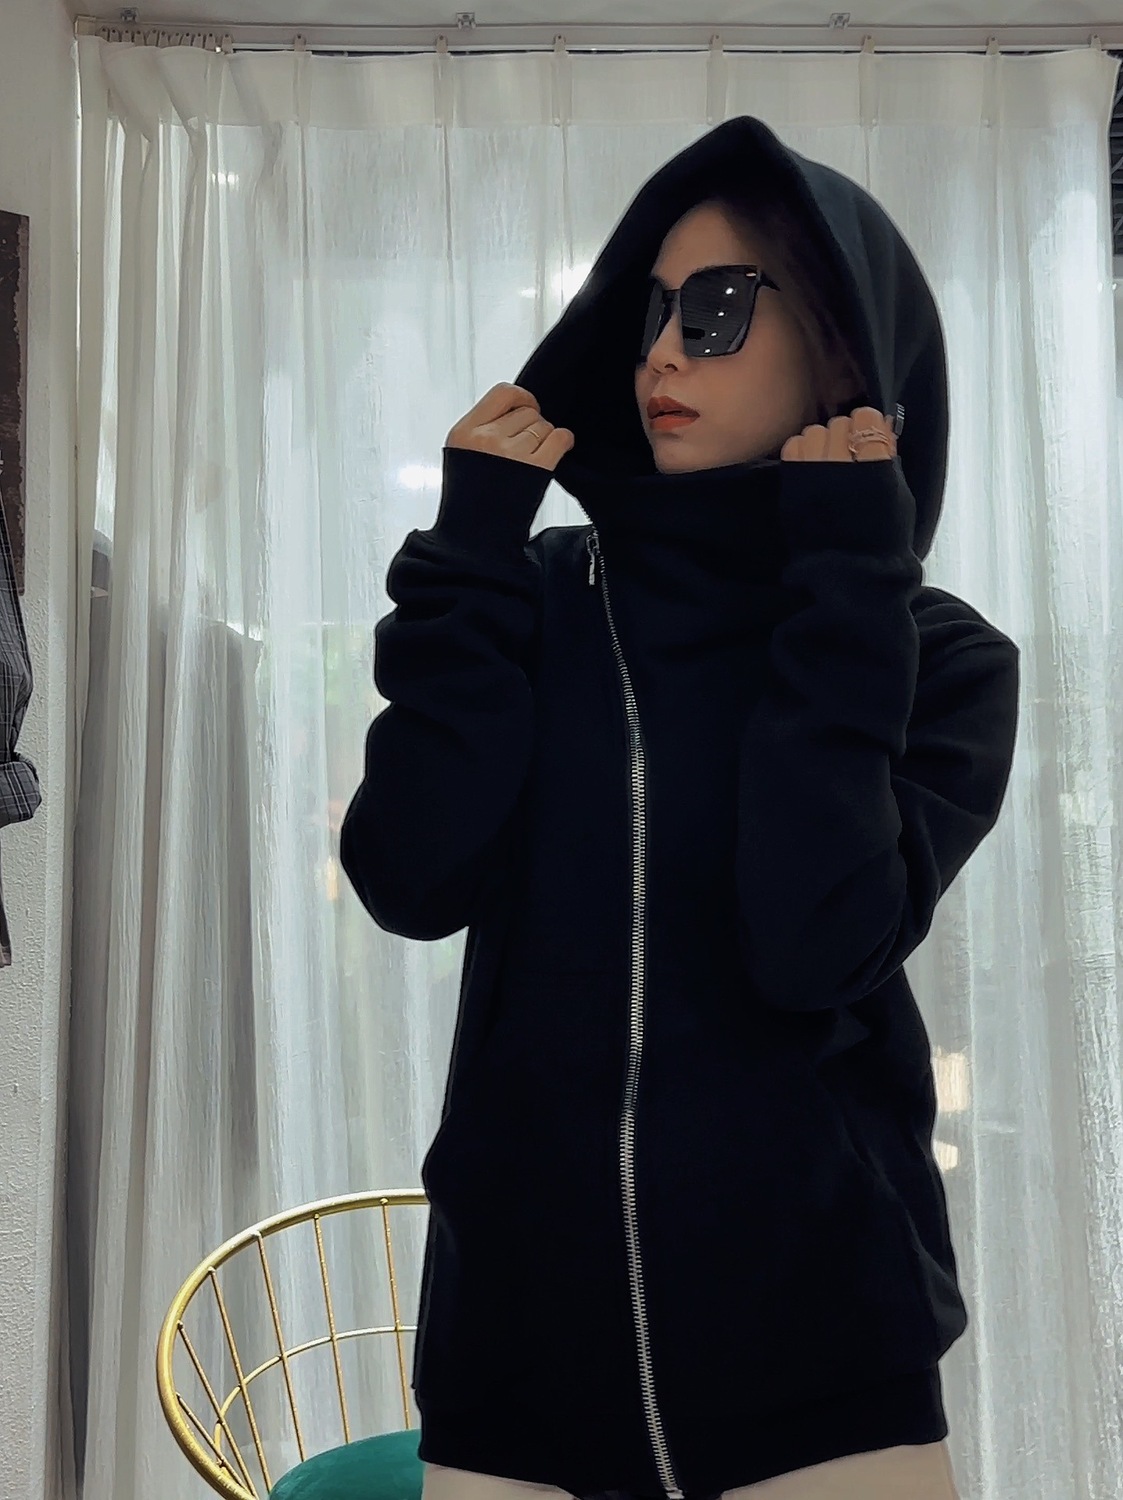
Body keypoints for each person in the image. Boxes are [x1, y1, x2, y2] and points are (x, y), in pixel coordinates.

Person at [340, 115, 1021, 1500]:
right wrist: (471, 554)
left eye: (713, 309)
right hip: (516, 1362)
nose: (660, 353)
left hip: (828, 1378)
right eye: (650, 311)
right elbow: (409, 877)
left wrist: (849, 592)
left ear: (839, 343)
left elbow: (814, 943)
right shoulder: (531, 603)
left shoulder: (938, 658)